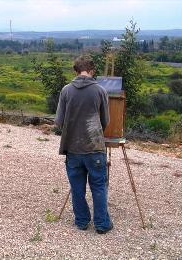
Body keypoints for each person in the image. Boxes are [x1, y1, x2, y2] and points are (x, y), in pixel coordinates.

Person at [55, 54, 113, 234]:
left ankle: (81, 221)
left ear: (76, 70)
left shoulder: (66, 90)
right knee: (98, 186)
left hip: (72, 147)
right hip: (95, 146)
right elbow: (105, 120)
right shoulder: (100, 90)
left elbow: (59, 121)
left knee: (77, 187)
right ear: (92, 70)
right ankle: (102, 224)